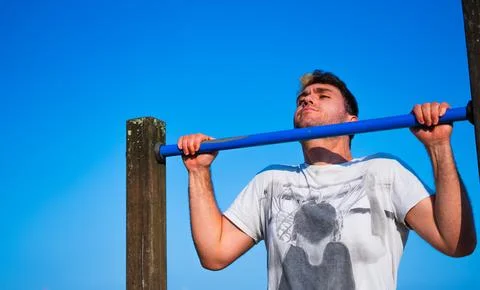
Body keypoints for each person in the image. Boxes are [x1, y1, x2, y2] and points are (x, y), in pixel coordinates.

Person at [177, 70, 476, 290]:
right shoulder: (271, 181)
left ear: (351, 120)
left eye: (322, 95)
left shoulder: (383, 171)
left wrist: (438, 147)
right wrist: (198, 172)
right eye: (303, 98)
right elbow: (214, 253)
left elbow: (456, 242)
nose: (307, 100)